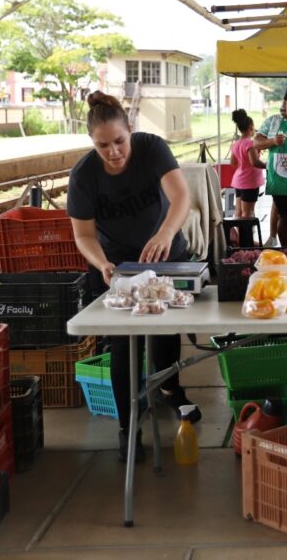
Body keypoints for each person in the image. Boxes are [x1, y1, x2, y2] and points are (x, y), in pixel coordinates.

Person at [67, 91, 198, 462]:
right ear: (92, 143)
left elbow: (181, 197)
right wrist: (102, 263)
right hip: (118, 267)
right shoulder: (84, 176)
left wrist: (166, 233)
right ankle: (128, 424)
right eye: (102, 145)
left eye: (119, 141)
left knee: (166, 329)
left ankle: (170, 390)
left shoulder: (152, 148)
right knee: (123, 345)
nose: (113, 152)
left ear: (131, 130)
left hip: (166, 252)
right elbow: (83, 235)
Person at [254, 86, 287, 248]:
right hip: (279, 180)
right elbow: (256, 143)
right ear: (285, 104)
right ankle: (286, 250)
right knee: (285, 217)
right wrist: (273, 142)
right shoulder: (273, 122)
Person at [229, 109, 266, 244]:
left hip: (238, 181)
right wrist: (268, 166)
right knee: (248, 214)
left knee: (238, 212)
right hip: (250, 182)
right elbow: (254, 162)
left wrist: (242, 166)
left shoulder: (236, 144)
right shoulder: (250, 144)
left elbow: (233, 163)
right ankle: (247, 242)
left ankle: (239, 239)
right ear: (251, 127)